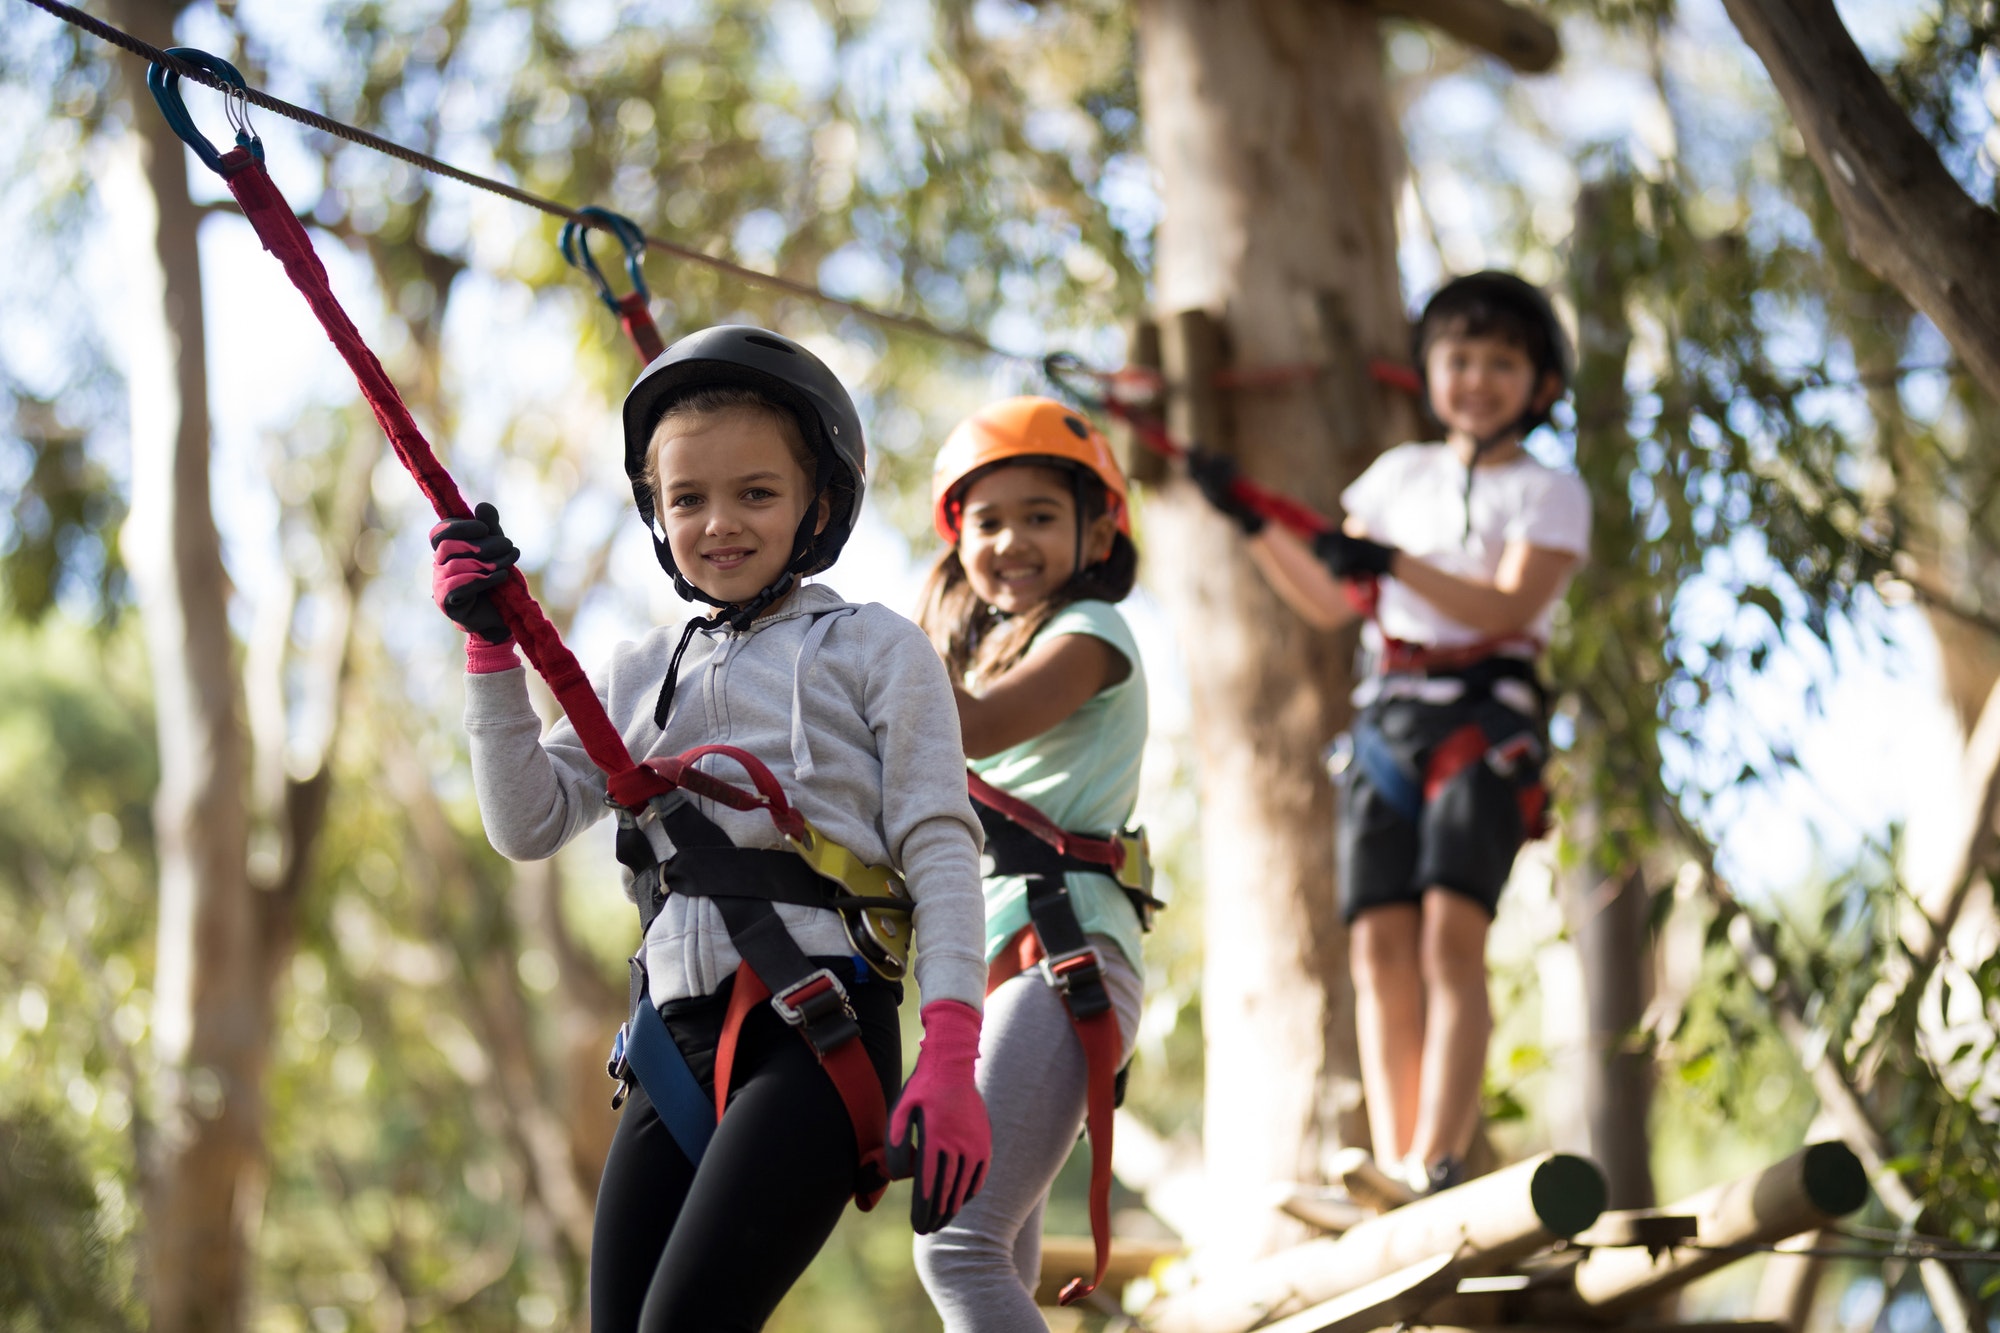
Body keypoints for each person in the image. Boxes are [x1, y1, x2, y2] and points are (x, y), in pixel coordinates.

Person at [429, 325, 993, 1330]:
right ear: (655, 512)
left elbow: (939, 846)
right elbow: (528, 819)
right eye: (686, 498)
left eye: (756, 493)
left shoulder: (872, 649)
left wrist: (950, 1051)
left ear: (816, 505)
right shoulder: (637, 674)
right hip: (668, 1041)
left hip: (817, 1026)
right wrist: (489, 649)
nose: (718, 523)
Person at [1190, 272, 1589, 1198]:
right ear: (1429, 372)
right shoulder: (1396, 480)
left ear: (1540, 387)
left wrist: (1394, 561)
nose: (1478, 379)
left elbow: (1507, 604)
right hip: (1387, 722)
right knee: (1378, 947)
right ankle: (1397, 1155)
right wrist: (1252, 518)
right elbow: (1334, 598)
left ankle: (1436, 1158)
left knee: (1453, 935)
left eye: (1502, 362)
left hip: (1483, 724)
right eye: (1459, 359)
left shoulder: (1546, 491)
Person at [910, 398, 1153, 1328]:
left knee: (957, 1247)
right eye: (989, 520)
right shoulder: (986, 652)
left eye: (1040, 516)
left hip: (1065, 957)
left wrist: (861, 651)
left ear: (1097, 532)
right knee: (995, 1252)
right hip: (1005, 972)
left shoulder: (1092, 632)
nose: (1012, 539)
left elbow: (965, 723)